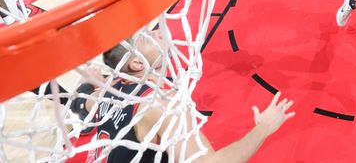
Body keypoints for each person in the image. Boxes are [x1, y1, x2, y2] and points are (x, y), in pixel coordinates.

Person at [74, 30, 295, 162]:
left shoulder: (108, 90)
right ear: (137, 63)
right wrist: (263, 128)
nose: (157, 32)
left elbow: (78, 101)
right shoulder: (162, 105)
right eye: (146, 37)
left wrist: (86, 83)